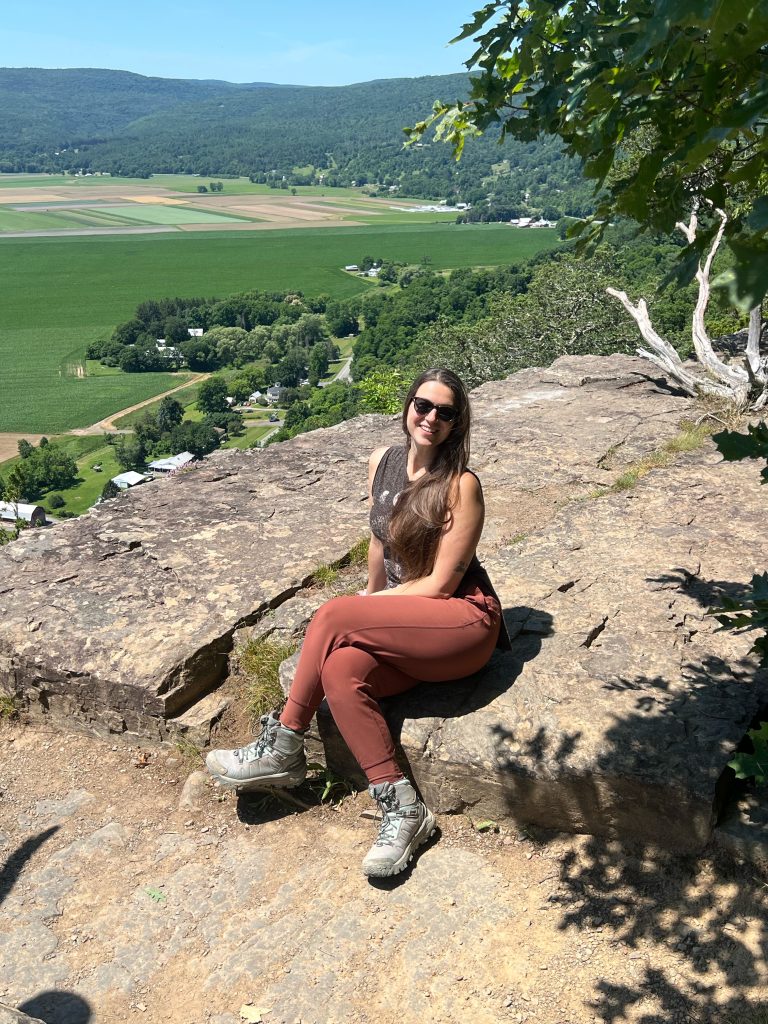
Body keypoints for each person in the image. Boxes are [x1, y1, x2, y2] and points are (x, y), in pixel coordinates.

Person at [206, 368, 509, 877]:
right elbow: (379, 541)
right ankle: (403, 808)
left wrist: (363, 610)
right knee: (342, 670)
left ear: (458, 424)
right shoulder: (383, 462)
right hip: (409, 622)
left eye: (445, 412)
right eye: (423, 405)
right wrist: (371, 598)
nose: (431, 418)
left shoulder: (461, 486)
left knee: (334, 614)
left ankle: (283, 742)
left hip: (461, 623)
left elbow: (439, 585)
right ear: (408, 407)